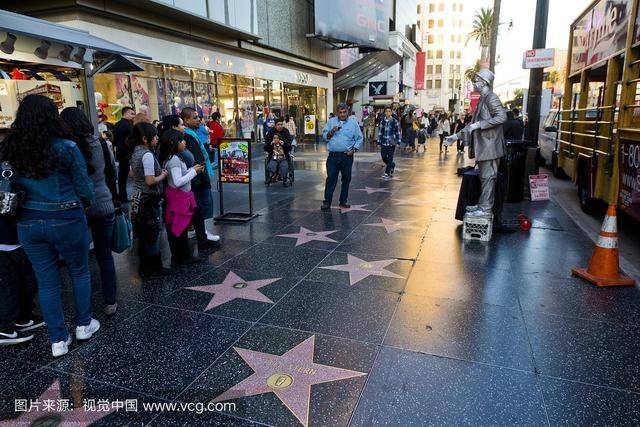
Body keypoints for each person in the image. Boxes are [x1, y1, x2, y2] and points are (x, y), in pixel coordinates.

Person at [0, 94, 99, 357]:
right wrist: (84, 203)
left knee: (47, 280)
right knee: (79, 271)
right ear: (51, 117)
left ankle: (57, 340)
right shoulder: (67, 147)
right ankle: (83, 324)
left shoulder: (11, 148)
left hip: (28, 222)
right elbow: (84, 187)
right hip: (67, 217)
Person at [60, 107, 119, 316]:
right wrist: (115, 197)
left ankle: (83, 307)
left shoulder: (64, 147)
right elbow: (112, 172)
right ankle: (110, 301)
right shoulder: (102, 144)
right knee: (105, 256)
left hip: (77, 207)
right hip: (104, 203)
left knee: (79, 259)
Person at [446, 69, 507, 217]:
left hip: (490, 147)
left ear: (484, 82)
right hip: (485, 147)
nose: (474, 83)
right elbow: (471, 126)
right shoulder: (482, 99)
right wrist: (455, 136)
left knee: (488, 178)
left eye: (476, 80)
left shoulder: (491, 98)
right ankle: (482, 205)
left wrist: (481, 124)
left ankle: (485, 209)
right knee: (484, 177)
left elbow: (502, 117)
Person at [157, 129, 204, 266]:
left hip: (180, 197)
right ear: (173, 143)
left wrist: (191, 170)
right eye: (181, 140)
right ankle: (182, 257)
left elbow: (178, 177)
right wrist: (193, 172)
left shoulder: (173, 158)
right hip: (179, 200)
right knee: (179, 228)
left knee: (179, 228)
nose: (184, 142)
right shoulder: (174, 160)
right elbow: (177, 182)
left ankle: (182, 256)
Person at [129, 122, 171, 278]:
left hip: (138, 197)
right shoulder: (147, 155)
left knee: (143, 234)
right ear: (145, 139)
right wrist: (163, 175)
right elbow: (150, 180)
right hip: (149, 199)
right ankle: (155, 267)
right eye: (154, 136)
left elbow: (131, 174)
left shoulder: (135, 152)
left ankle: (144, 266)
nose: (157, 138)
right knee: (152, 234)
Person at [181, 107, 219, 251]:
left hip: (199, 177)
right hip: (198, 179)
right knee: (200, 206)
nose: (198, 120)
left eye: (198, 117)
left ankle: (199, 231)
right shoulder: (188, 136)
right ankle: (201, 233)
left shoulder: (192, 133)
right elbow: (197, 159)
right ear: (186, 120)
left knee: (199, 207)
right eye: (195, 117)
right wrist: (204, 179)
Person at [0, 215, 41, 346]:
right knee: (9, 286)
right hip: (8, 238)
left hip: (13, 237)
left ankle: (23, 316)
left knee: (24, 280)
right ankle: (4, 327)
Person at [320, 103, 363, 211]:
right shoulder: (331, 122)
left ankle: (343, 202)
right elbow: (325, 137)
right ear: (337, 113)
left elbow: (359, 138)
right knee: (331, 179)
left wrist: (353, 150)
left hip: (346, 156)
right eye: (340, 112)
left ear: (347, 112)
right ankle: (327, 202)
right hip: (333, 156)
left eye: (344, 112)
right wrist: (332, 131)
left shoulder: (353, 123)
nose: (342, 114)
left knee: (346, 179)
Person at [113, 106, 135, 203]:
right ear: (125, 113)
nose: (133, 116)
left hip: (120, 153)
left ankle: (122, 196)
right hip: (128, 153)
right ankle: (125, 197)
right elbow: (131, 140)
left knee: (122, 177)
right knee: (126, 176)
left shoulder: (117, 125)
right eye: (132, 113)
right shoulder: (128, 126)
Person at [378, 106, 401, 179]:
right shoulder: (382, 121)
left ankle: (387, 172)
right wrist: (379, 142)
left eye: (389, 111)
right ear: (384, 112)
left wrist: (398, 142)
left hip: (392, 142)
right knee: (384, 156)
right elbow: (380, 132)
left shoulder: (394, 121)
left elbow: (398, 132)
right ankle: (392, 165)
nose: (388, 112)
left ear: (391, 112)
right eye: (386, 111)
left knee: (390, 157)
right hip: (384, 142)